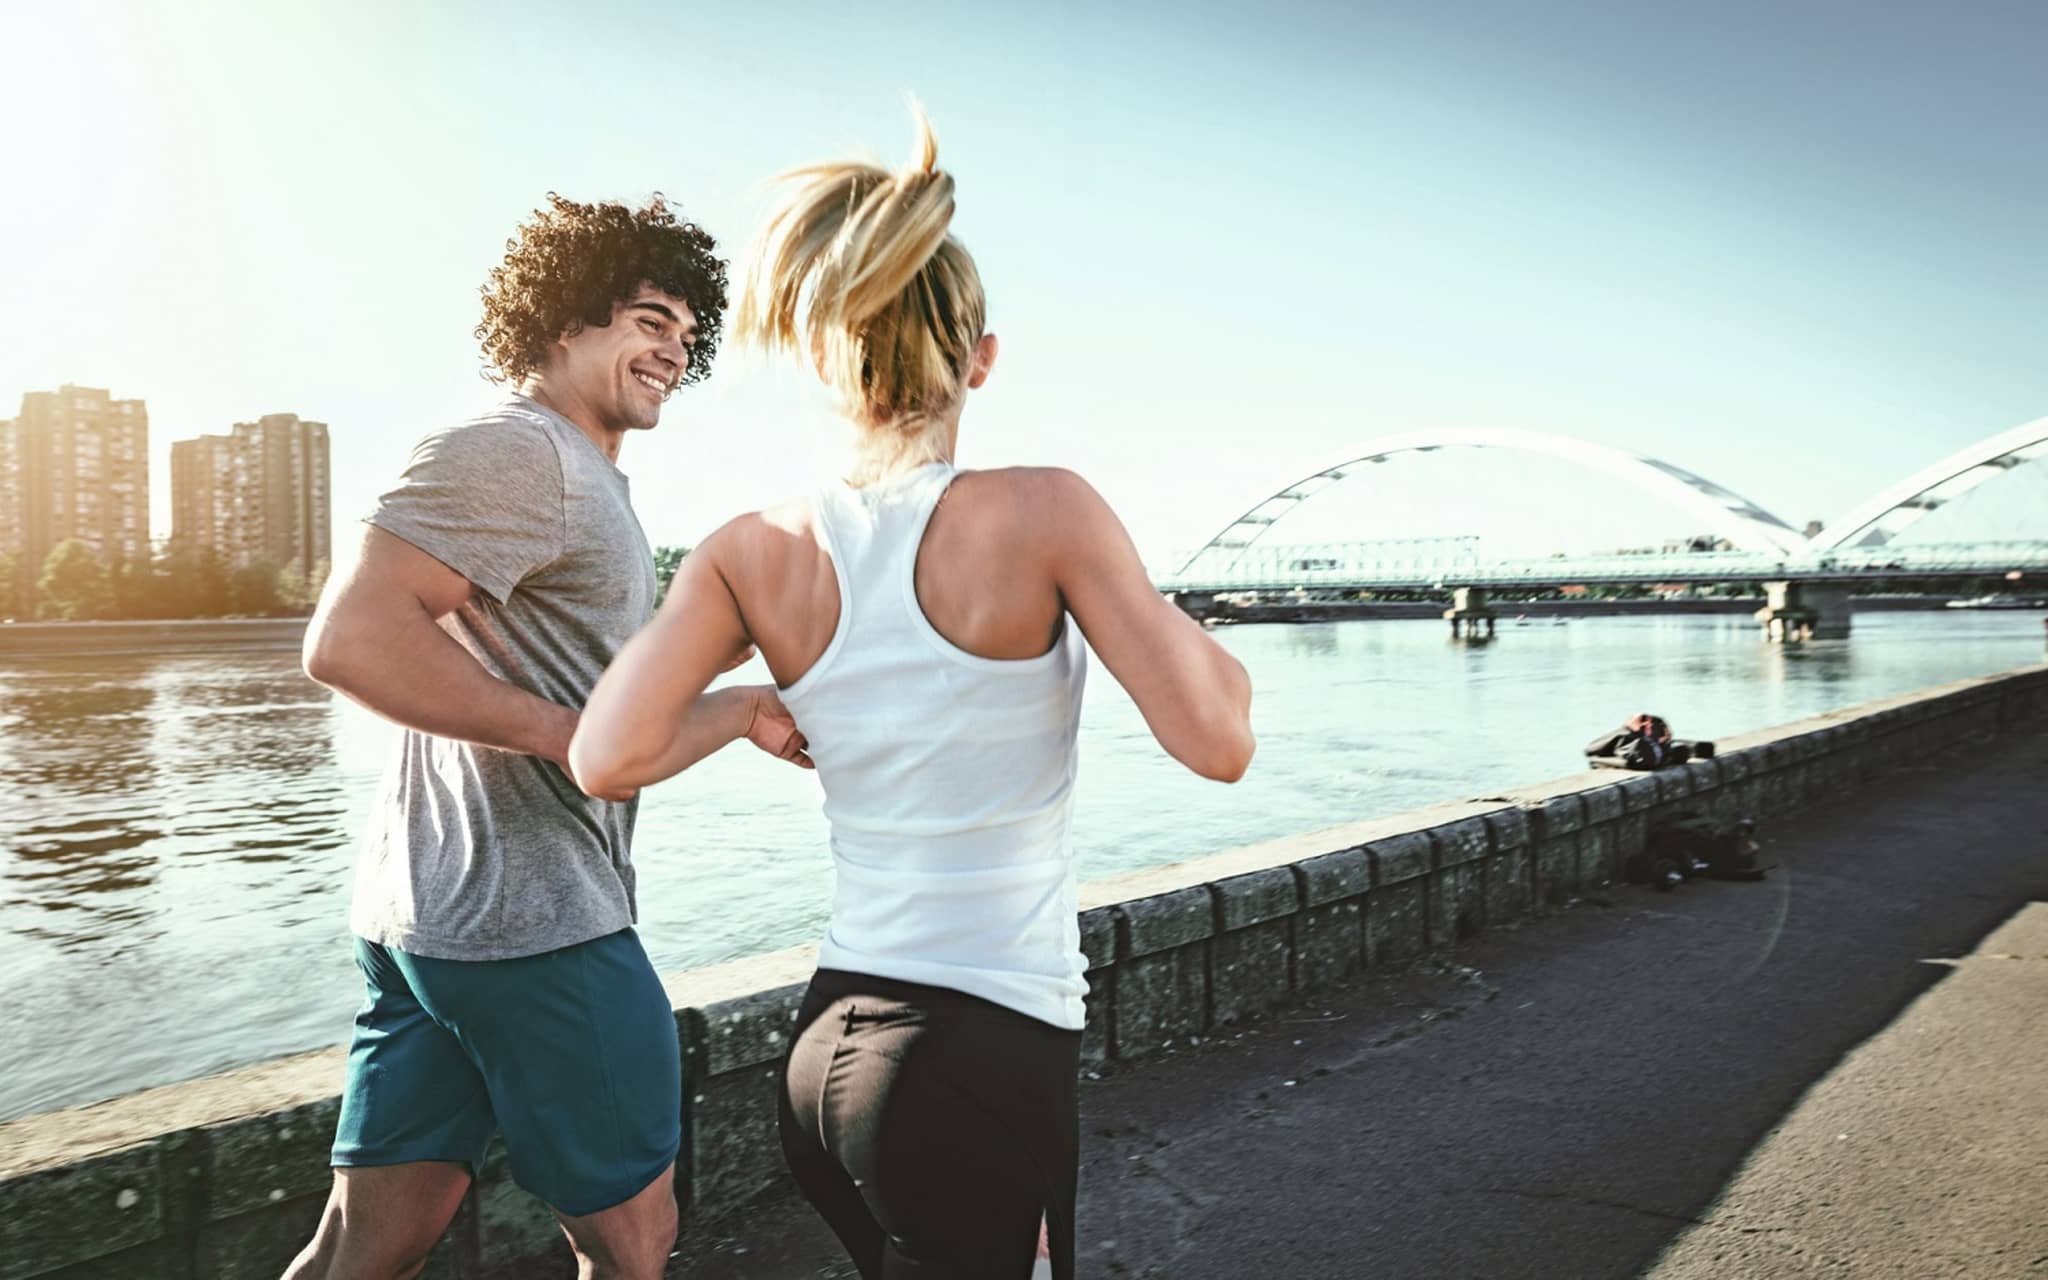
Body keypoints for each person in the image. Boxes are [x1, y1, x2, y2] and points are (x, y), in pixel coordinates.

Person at [570, 109, 1256, 1279]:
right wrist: (1187, 633)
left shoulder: (752, 546)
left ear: (822, 351)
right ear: (978, 356)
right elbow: (1217, 741)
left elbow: (604, 753)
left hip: (827, 1053)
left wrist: (743, 706)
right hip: (977, 1053)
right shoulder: (1045, 511)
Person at [291, 195, 802, 1280]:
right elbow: (351, 637)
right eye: (647, 319)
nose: (673, 347)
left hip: (425, 918)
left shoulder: (578, 476)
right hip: (537, 928)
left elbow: (600, 683)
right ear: (563, 319)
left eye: (684, 331)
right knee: (633, 1242)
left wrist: (735, 691)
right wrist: (572, 737)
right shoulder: (525, 451)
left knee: (368, 1242)